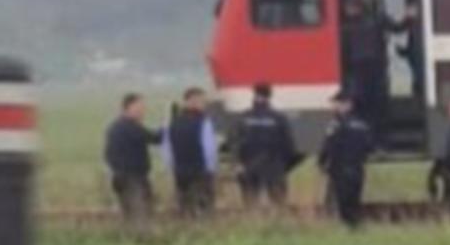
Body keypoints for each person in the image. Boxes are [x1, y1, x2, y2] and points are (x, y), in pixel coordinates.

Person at [234, 83, 301, 210]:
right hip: (274, 165)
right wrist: (284, 165)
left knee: (250, 202)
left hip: (249, 164)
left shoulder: (244, 117)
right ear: (269, 96)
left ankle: (251, 225)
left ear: (254, 95)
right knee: (278, 201)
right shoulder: (279, 118)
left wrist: (239, 162)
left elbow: (237, 142)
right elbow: (289, 145)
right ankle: (278, 224)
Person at [319, 89, 376, 227]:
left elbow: (329, 147)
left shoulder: (336, 125)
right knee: (354, 202)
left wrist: (322, 163)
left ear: (348, 105)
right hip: (357, 170)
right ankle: (356, 228)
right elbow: (369, 148)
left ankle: (350, 229)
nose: (335, 107)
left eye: (338, 104)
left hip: (340, 170)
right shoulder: (363, 125)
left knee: (342, 205)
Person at [102, 92, 161, 223]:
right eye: (140, 107)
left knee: (129, 212)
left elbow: (107, 155)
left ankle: (131, 237)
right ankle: (140, 238)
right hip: (132, 178)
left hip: (119, 176)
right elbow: (154, 138)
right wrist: (168, 129)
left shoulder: (115, 127)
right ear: (129, 107)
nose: (143, 111)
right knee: (139, 212)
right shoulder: (130, 127)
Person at [163, 87, 221, 218]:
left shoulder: (172, 123)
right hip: (200, 171)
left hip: (180, 172)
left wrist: (173, 167)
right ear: (193, 101)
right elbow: (209, 150)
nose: (204, 105)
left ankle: (187, 231)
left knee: (185, 207)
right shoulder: (204, 123)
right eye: (202, 101)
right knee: (204, 208)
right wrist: (211, 170)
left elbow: (167, 149)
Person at [340, 0, 392, 128]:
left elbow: (345, 52)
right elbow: (395, 27)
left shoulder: (346, 28)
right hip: (375, 70)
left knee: (364, 105)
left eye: (349, 7)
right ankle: (379, 139)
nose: (348, 10)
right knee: (376, 106)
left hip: (360, 71)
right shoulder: (376, 20)